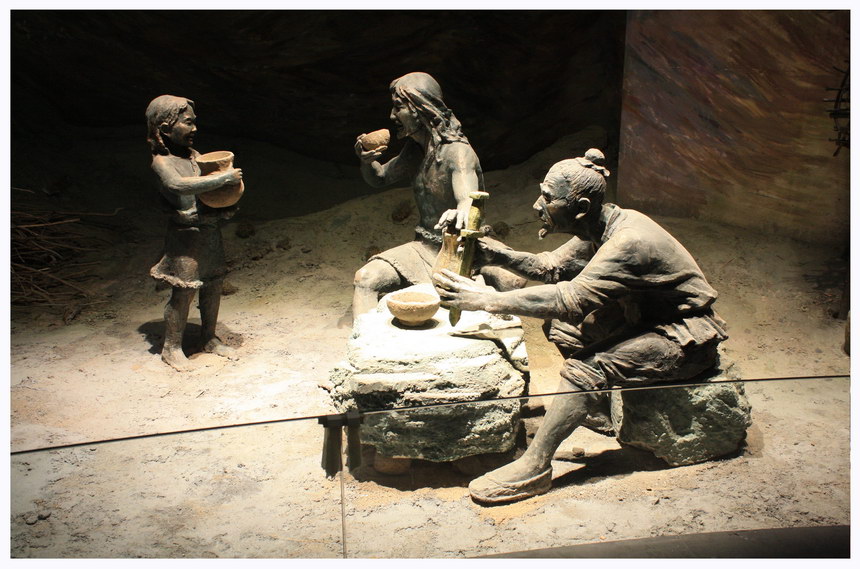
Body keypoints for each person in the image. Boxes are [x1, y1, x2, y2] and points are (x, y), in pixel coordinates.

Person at [433, 149, 728, 503]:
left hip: (683, 337)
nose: (537, 206)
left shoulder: (629, 241)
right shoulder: (600, 223)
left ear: (581, 207)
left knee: (586, 366)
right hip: (642, 318)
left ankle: (535, 466)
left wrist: (484, 300)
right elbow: (552, 268)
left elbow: (569, 300)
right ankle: (599, 412)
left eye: (548, 198)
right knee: (562, 330)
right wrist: (495, 254)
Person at [353, 71, 523, 316]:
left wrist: (460, 212)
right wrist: (366, 162)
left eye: (399, 107)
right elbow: (380, 178)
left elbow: (468, 200)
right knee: (366, 279)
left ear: (420, 109)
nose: (392, 116)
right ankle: (364, 337)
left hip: (463, 249)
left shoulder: (457, 153)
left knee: (511, 280)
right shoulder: (415, 151)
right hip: (424, 248)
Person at [145, 95, 242, 371]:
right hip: (185, 238)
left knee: (212, 286)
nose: (194, 129)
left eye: (194, 122)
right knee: (184, 292)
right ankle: (171, 347)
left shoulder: (195, 156)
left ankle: (208, 337)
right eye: (188, 123)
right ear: (165, 129)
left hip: (208, 231)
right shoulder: (162, 162)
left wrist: (224, 205)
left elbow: (206, 189)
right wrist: (223, 178)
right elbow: (178, 186)